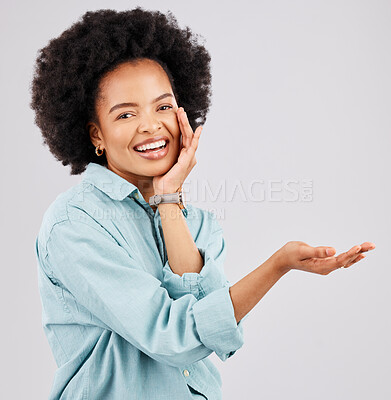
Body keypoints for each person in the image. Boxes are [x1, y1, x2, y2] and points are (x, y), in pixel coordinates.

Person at [30, 7, 375, 400]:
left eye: (162, 107)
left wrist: (169, 201)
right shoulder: (74, 224)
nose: (150, 125)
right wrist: (279, 264)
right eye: (125, 114)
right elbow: (176, 338)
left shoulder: (198, 223)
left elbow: (221, 337)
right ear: (97, 135)